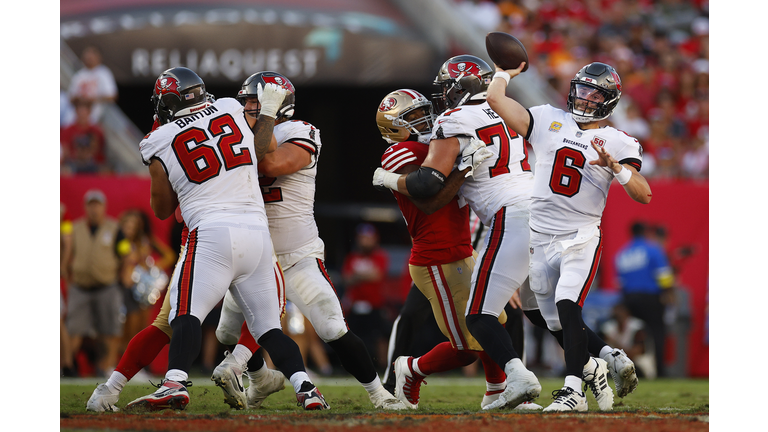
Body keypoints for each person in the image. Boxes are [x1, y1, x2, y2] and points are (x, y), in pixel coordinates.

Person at [125, 66, 328, 411]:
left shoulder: (157, 139)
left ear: (169, 102)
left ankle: (174, 381)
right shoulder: (230, 108)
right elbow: (266, 146)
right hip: (257, 233)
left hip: (213, 232)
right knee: (268, 328)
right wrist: (265, 114)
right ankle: (307, 388)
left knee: (187, 314)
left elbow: (161, 210)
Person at [211, 72, 404, 411]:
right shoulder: (239, 135)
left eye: (256, 102)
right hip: (254, 256)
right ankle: (260, 380)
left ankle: (379, 393)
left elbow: (269, 162)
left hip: (296, 254)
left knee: (331, 326)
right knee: (225, 334)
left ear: (278, 105)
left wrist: (265, 119)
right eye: (248, 102)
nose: (248, 108)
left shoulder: (301, 131)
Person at [372, 55, 542, 410]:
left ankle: (497, 389)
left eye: (423, 114)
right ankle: (410, 369)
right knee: (469, 344)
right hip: (436, 257)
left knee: (495, 317)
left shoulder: (443, 140)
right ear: (393, 128)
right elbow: (430, 197)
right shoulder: (400, 152)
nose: (424, 121)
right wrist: (463, 167)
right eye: (411, 119)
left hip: (462, 249)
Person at [486, 60, 651, 411]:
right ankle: (601, 364)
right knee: (553, 321)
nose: (586, 97)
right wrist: (503, 73)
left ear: (609, 101)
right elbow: (498, 102)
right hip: (540, 237)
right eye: (583, 88)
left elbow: (644, 193)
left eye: (595, 93)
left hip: (579, 235)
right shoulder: (547, 118)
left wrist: (617, 168)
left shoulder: (618, 140)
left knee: (567, 303)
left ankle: (573, 391)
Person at [62, 189, 123, 377]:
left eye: (97, 204)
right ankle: (67, 366)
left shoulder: (115, 228)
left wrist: (123, 276)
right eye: (91, 204)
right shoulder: (73, 228)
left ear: (104, 207)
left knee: (109, 329)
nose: (94, 209)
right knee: (74, 328)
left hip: (107, 286)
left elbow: (125, 253)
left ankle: (107, 367)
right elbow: (66, 253)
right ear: (85, 207)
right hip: (80, 287)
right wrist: (67, 275)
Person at [614, 221, 674, 378]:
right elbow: (664, 276)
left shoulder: (622, 254)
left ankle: (629, 371)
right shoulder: (653, 250)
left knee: (634, 335)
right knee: (656, 333)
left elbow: (620, 283)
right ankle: (659, 371)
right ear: (645, 232)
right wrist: (669, 293)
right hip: (651, 298)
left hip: (629, 299)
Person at [115, 209, 176, 355]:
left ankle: (137, 360)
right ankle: (118, 361)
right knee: (124, 327)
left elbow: (169, 255)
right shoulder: (119, 242)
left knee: (141, 327)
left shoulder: (146, 241)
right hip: (123, 287)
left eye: (134, 225)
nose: (130, 229)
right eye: (127, 225)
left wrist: (153, 268)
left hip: (142, 289)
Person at [341, 223, 390, 370]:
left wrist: (357, 276)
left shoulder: (380, 255)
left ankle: (384, 366)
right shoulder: (352, 257)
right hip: (355, 305)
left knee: (380, 336)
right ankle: (352, 366)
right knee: (350, 336)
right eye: (362, 238)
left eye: (368, 238)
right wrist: (363, 276)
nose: (365, 241)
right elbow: (346, 278)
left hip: (375, 304)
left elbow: (377, 275)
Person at [68, 46, 118, 125]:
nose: (88, 57)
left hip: (95, 116)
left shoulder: (104, 73)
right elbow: (71, 98)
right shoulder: (79, 75)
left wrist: (91, 99)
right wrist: (80, 99)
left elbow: (112, 96)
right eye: (87, 55)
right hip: (75, 115)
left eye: (91, 55)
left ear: (98, 57)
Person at [60, 100, 109, 175]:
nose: (82, 114)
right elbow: (65, 152)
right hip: (73, 163)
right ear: (76, 111)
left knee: (105, 172)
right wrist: (78, 155)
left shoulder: (97, 131)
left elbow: (100, 152)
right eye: (80, 111)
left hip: (92, 164)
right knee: (65, 171)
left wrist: (88, 155)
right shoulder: (67, 130)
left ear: (89, 112)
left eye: (84, 111)